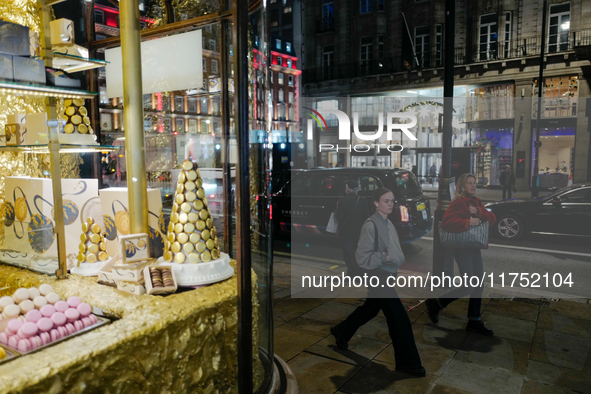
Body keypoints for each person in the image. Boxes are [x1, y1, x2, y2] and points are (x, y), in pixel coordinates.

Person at [331, 188, 425, 378]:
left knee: (370, 308)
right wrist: (385, 257)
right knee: (399, 318)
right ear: (375, 203)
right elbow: (361, 258)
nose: (390, 204)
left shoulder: (387, 222)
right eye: (385, 201)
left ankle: (342, 331)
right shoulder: (370, 225)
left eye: (392, 200)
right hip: (378, 276)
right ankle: (409, 364)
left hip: (386, 275)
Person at [425, 173, 496, 336]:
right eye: (470, 183)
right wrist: (468, 222)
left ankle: (474, 320)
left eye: (474, 183)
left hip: (473, 247)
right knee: (469, 285)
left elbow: (491, 219)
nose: (473, 186)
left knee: (479, 284)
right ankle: (437, 304)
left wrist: (478, 212)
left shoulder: (476, 202)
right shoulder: (458, 203)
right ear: (462, 186)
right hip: (462, 248)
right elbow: (447, 223)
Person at [335, 180, 370, 275]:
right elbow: (366, 216)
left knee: (348, 252)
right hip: (359, 231)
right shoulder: (363, 200)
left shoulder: (342, 201)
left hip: (346, 232)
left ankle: (352, 271)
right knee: (358, 251)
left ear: (347, 189)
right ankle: (360, 270)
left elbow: (339, 217)